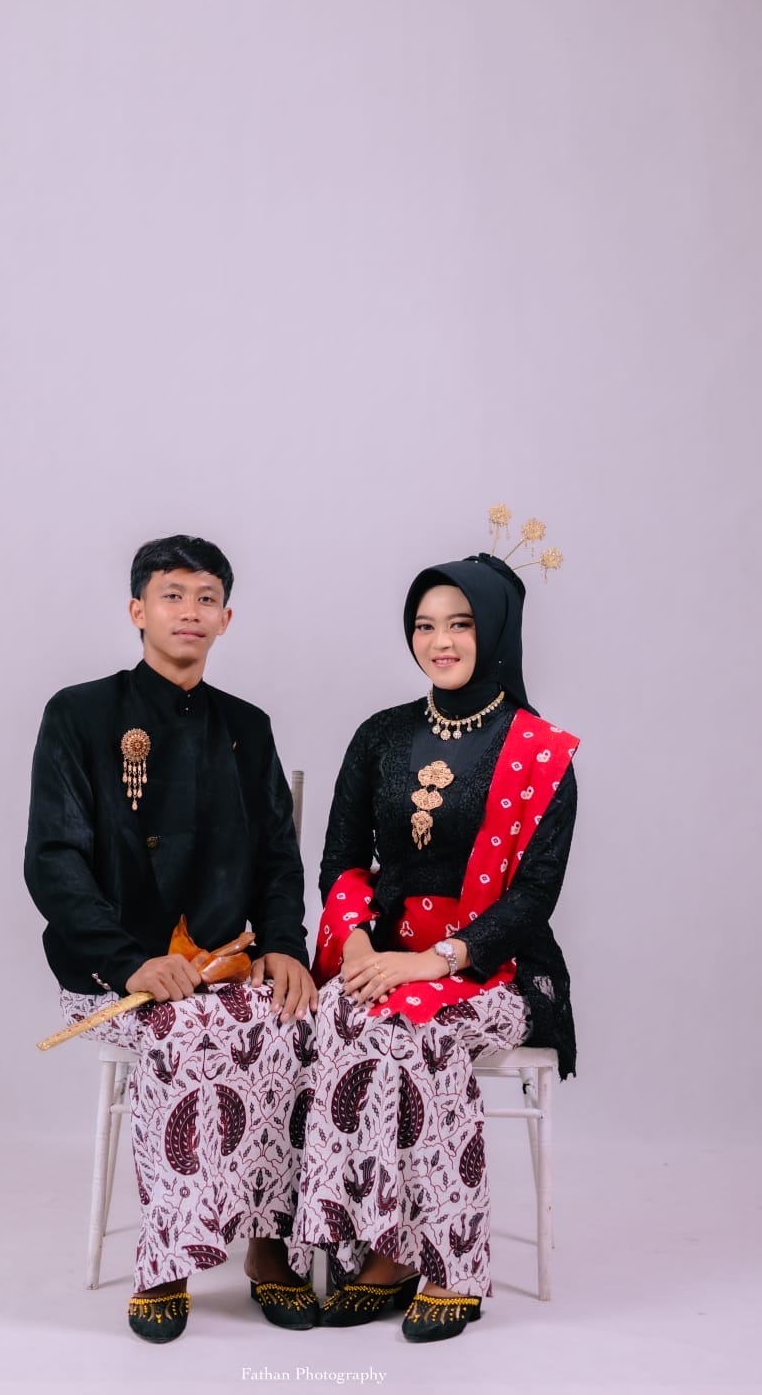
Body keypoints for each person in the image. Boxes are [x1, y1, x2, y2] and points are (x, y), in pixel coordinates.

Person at [24, 535, 318, 1342]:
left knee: (298, 1028)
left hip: (227, 963)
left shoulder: (247, 726)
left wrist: (285, 945)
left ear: (226, 619)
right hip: (115, 968)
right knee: (188, 1035)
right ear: (137, 611)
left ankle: (270, 1246)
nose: (190, 612)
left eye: (206, 598)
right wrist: (131, 962)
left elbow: (278, 856)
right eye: (172, 595)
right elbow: (53, 860)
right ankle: (168, 1261)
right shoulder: (79, 714)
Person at [291, 550, 579, 1342]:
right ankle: (376, 1248)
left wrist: (437, 960)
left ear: (497, 633)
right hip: (382, 954)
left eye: (460, 624)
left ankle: (448, 1263)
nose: (440, 642)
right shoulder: (381, 735)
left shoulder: (541, 753)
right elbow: (341, 859)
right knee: (339, 1019)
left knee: (417, 1029)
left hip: (496, 968)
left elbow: (534, 897)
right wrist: (354, 943)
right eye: (424, 625)